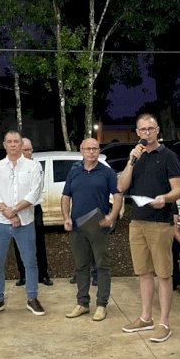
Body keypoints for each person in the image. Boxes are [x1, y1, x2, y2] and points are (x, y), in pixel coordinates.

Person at [117, 113, 180, 343]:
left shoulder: (168, 156)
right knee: (143, 272)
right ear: (137, 133)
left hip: (160, 222)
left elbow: (178, 190)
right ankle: (146, 318)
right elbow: (121, 186)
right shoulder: (136, 156)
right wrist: (130, 161)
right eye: (142, 130)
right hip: (138, 221)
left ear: (157, 131)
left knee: (163, 274)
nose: (146, 133)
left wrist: (164, 198)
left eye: (150, 129)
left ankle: (164, 322)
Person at [0, 130, 46, 317]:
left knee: (30, 262)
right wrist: (9, 213)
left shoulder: (33, 166)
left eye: (16, 141)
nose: (13, 144)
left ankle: (32, 298)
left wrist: (16, 210)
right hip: (2, 223)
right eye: (9, 141)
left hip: (25, 222)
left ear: (21, 145)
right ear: (4, 145)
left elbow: (35, 193)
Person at [61, 137, 123, 321]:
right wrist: (66, 218)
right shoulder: (74, 172)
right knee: (81, 266)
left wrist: (112, 216)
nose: (91, 152)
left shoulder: (107, 172)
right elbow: (65, 197)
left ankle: (102, 304)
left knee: (102, 266)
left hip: (98, 226)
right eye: (87, 149)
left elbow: (118, 195)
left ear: (99, 151)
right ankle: (82, 303)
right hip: (77, 228)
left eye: (95, 149)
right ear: (81, 151)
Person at [14, 138, 53, 287]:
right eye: (26, 150)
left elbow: (36, 188)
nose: (30, 152)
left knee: (38, 242)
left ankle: (43, 275)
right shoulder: (13, 166)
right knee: (19, 243)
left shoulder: (36, 165)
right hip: (16, 209)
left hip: (33, 208)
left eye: (31, 149)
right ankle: (23, 275)